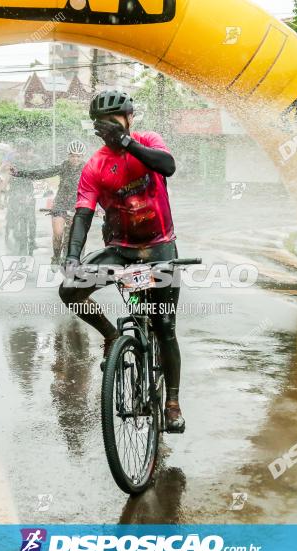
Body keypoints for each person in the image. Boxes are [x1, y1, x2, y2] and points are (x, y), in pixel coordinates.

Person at [58, 90, 185, 432]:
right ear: (95, 129)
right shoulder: (95, 165)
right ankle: (113, 337)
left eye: (116, 122)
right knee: (69, 290)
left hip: (159, 248)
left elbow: (168, 166)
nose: (110, 130)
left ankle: (171, 402)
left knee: (164, 327)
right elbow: (83, 214)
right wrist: (72, 256)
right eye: (104, 125)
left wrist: (127, 142)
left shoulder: (147, 140)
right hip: (120, 251)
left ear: (129, 118)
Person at [12, 140, 88, 263]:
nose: (75, 159)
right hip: (60, 204)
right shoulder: (63, 167)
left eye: (78, 156)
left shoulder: (88, 169)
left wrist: (99, 207)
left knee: (78, 235)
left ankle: (77, 259)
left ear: (82, 156)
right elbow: (42, 173)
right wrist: (19, 173)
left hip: (77, 206)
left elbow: (98, 187)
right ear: (68, 155)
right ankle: (56, 257)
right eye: (72, 155)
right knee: (58, 233)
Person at [2, 138, 40, 253]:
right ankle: (11, 228)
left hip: (29, 190)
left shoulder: (35, 161)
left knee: (32, 218)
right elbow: (8, 175)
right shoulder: (14, 162)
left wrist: (45, 187)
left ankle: (32, 239)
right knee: (13, 211)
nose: (23, 153)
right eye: (20, 150)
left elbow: (41, 175)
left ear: (30, 150)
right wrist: (3, 189)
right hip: (16, 190)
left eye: (25, 150)